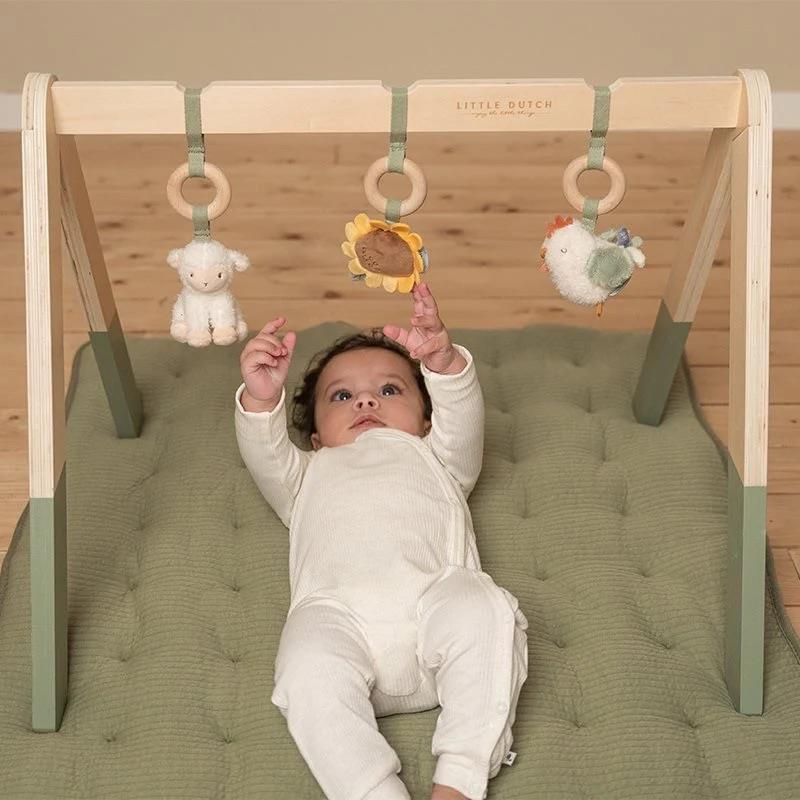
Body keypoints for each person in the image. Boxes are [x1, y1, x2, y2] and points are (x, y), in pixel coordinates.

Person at [234, 282, 529, 800]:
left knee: (484, 609)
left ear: (426, 421)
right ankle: (371, 790)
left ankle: (460, 777)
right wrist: (262, 398)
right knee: (304, 665)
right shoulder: (306, 475)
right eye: (341, 396)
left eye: (390, 391)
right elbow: (265, 452)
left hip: (436, 620)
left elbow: (463, 421)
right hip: (341, 627)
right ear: (316, 437)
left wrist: (443, 364)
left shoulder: (437, 457)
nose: (366, 400)